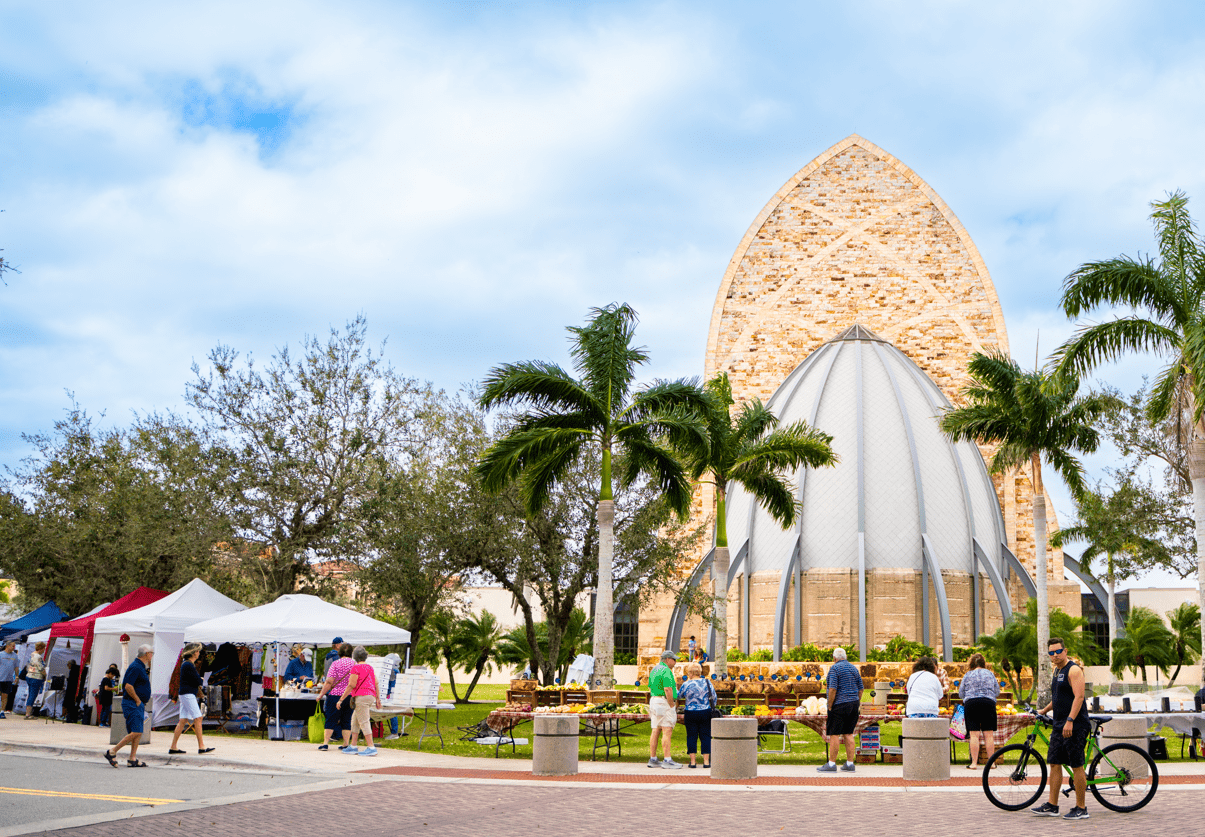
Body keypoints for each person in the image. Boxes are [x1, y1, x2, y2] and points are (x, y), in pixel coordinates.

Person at [1032, 638, 1091, 820]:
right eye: (1051, 653)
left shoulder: (1073, 670)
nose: (1055, 655)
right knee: (1055, 763)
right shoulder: (1057, 670)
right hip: (1059, 724)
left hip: (1074, 725)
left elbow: (1079, 697)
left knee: (1076, 765)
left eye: (1058, 651)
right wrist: (1045, 710)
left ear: (1065, 651)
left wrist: (1070, 720)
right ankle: (1052, 805)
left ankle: (1081, 808)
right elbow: (1058, 697)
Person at [105, 644, 154, 768]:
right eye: (151, 653)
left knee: (137, 732)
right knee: (136, 731)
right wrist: (138, 700)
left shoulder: (141, 666)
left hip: (137, 703)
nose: (152, 656)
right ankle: (112, 751)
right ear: (146, 654)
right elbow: (128, 686)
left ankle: (132, 758)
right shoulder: (136, 667)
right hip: (132, 703)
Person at [817, 647, 861, 772]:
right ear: (845, 657)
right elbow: (861, 688)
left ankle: (831, 764)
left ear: (834, 658)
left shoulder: (834, 669)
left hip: (839, 705)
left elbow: (832, 689)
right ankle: (850, 763)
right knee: (848, 733)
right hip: (853, 704)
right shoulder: (854, 668)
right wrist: (857, 701)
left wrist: (830, 705)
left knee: (834, 734)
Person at [169, 643, 214, 755]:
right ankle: (201, 746)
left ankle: (173, 747)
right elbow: (198, 681)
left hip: (185, 693)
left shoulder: (186, 664)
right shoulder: (189, 665)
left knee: (183, 720)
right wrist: (201, 678)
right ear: (194, 653)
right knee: (198, 718)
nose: (199, 653)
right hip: (188, 694)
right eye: (198, 651)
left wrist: (199, 678)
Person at [959, 652, 1000, 769]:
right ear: (984, 664)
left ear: (971, 664)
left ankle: (974, 763)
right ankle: (991, 763)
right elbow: (997, 692)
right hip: (988, 703)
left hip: (971, 704)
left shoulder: (967, 675)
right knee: (989, 735)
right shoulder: (990, 674)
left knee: (974, 735)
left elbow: (961, 693)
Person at [337, 646, 380, 756]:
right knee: (354, 721)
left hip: (361, 697)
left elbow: (351, 685)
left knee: (364, 721)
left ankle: (371, 747)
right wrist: (378, 698)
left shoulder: (355, 668)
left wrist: (341, 699)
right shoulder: (370, 668)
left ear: (354, 657)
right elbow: (376, 683)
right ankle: (353, 745)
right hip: (370, 696)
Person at [646, 650, 683, 769]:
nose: (675, 662)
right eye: (674, 659)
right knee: (667, 730)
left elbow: (650, 686)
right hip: (664, 702)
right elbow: (667, 689)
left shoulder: (654, 669)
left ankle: (653, 758)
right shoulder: (666, 670)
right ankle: (667, 760)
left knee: (655, 729)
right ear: (667, 660)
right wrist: (671, 704)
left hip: (654, 700)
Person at [314, 643, 355, 751]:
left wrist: (321, 694)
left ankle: (325, 743)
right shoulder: (355, 664)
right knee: (346, 720)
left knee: (331, 719)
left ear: (340, 652)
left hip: (335, 695)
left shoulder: (336, 663)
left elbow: (329, 681)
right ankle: (346, 744)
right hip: (350, 696)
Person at [679, 662, 715, 768]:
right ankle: (706, 762)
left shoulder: (686, 684)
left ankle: (693, 762)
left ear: (690, 673)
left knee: (691, 736)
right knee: (706, 736)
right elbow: (714, 697)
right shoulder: (707, 682)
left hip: (690, 712)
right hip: (705, 712)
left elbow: (679, 696)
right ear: (699, 672)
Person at [24, 642, 46, 719]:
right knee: (33, 695)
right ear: (41, 648)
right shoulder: (38, 657)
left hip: (29, 675)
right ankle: (28, 714)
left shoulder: (31, 655)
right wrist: (45, 674)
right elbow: (41, 668)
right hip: (36, 677)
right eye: (44, 648)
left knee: (30, 694)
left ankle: (27, 712)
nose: (44, 650)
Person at [383, 652, 402, 739]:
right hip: (394, 692)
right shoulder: (396, 670)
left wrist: (386, 693)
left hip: (391, 693)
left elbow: (389, 683)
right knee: (392, 712)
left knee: (392, 712)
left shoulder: (392, 671)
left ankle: (394, 733)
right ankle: (394, 732)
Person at [0, 640, 19, 717]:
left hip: (8, 679)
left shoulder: (15, 656)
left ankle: (2, 711)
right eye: (13, 646)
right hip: (0, 678)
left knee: (5, 695)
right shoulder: (1, 654)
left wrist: (17, 676)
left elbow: (16, 667)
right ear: (7, 646)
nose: (14, 647)